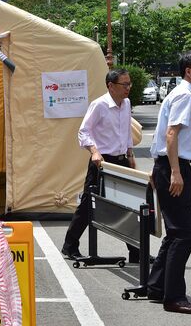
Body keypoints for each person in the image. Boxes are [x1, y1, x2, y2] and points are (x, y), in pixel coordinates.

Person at [147, 50, 191, 314]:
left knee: (175, 232)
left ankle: (157, 286)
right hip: (175, 167)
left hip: (168, 166)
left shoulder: (181, 93)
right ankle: (173, 298)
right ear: (188, 71)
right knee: (184, 234)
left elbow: (163, 135)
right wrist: (175, 172)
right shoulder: (184, 95)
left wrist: (159, 168)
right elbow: (171, 134)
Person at [61, 69, 141, 263]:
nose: (128, 88)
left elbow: (126, 132)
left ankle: (136, 252)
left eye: (129, 84)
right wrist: (94, 151)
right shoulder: (99, 105)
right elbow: (84, 132)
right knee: (88, 204)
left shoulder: (126, 103)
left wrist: (130, 154)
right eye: (124, 84)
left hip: (121, 161)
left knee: (127, 206)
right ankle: (69, 245)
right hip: (102, 162)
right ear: (111, 86)